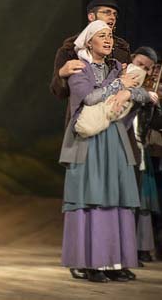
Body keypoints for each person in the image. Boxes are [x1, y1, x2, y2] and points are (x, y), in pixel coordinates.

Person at [59, 20, 151, 282]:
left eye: (110, 35)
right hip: (88, 142)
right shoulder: (79, 68)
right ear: (89, 42)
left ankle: (116, 262)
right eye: (102, 35)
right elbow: (88, 98)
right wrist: (118, 86)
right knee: (91, 198)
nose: (109, 39)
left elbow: (142, 94)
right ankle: (90, 262)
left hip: (115, 139)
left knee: (117, 198)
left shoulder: (117, 68)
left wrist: (128, 94)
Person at [128, 47, 161, 263]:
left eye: (148, 69)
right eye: (140, 64)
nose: (143, 71)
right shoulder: (119, 83)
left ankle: (131, 251)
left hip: (138, 153)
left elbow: (155, 123)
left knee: (136, 205)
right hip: (121, 152)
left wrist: (155, 105)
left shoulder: (148, 95)